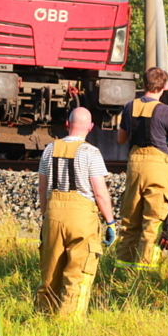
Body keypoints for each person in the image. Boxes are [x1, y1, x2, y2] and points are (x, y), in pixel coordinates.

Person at [35, 107, 117, 317]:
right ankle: (69, 325)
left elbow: (42, 188)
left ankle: (42, 318)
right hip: (82, 219)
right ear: (90, 127)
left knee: (50, 275)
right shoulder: (91, 152)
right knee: (77, 276)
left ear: (67, 124)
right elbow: (100, 194)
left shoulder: (49, 149)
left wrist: (45, 218)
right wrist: (110, 222)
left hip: (53, 215)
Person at [115, 67, 168, 270]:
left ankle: (122, 268)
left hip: (135, 166)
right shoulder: (166, 110)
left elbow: (121, 139)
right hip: (157, 168)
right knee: (153, 222)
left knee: (129, 221)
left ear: (145, 84)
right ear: (163, 86)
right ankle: (145, 270)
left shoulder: (130, 107)